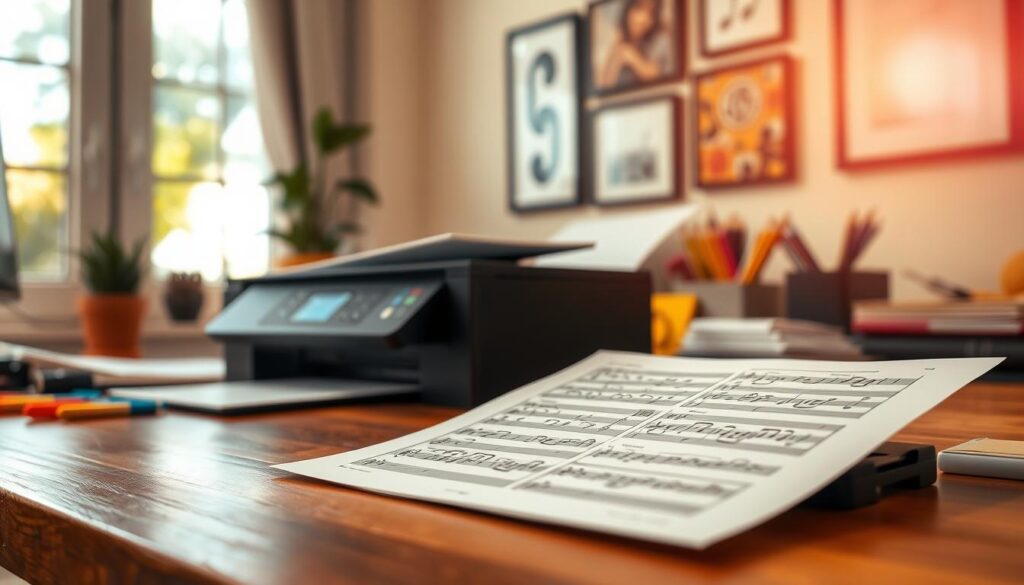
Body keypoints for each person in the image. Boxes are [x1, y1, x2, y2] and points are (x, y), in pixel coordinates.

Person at [597, 0, 674, 89]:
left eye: (651, 15)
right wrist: (615, 48)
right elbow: (602, 86)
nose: (644, 20)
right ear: (628, 11)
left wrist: (631, 57)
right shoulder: (622, 40)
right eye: (638, 10)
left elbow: (656, 76)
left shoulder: (659, 39)